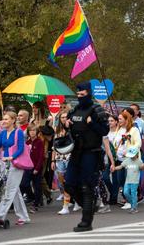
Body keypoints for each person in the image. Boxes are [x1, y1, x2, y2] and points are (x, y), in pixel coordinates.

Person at [65, 81, 109, 232]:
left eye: (82, 94)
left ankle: (86, 221)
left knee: (86, 186)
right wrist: (67, 125)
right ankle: (90, 206)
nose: (79, 96)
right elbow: (69, 131)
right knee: (69, 184)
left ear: (89, 94)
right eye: (77, 94)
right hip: (76, 151)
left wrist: (92, 124)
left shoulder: (97, 110)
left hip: (91, 152)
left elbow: (105, 131)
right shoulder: (74, 110)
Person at [0, 111, 30, 225]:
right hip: (5, 163)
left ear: (13, 120)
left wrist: (11, 157)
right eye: (3, 119)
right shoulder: (3, 133)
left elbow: (20, 148)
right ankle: (24, 216)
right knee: (15, 191)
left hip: (16, 163)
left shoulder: (19, 132)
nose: (4, 121)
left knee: (9, 190)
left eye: (7, 119)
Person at [113, 111, 141, 209]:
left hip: (131, 160)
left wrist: (129, 151)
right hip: (120, 160)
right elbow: (116, 143)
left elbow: (138, 144)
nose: (118, 120)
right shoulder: (119, 129)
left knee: (129, 180)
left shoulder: (134, 130)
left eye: (120, 119)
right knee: (120, 179)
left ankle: (130, 201)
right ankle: (130, 198)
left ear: (126, 119)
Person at [51, 111, 75, 215]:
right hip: (59, 158)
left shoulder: (73, 130)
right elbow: (54, 146)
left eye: (66, 117)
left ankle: (68, 204)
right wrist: (53, 160)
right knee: (61, 181)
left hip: (70, 158)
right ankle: (69, 201)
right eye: (62, 117)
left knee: (70, 180)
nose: (64, 119)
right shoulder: (57, 130)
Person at [112, 146, 144, 213]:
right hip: (127, 181)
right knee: (125, 192)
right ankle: (133, 203)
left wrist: (143, 167)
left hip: (135, 181)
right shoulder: (127, 161)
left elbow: (142, 168)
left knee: (133, 194)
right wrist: (114, 168)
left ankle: (134, 208)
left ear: (136, 154)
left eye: (133, 155)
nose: (131, 157)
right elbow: (121, 166)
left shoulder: (139, 161)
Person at [20, 124, 44, 212]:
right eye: (30, 131)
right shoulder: (27, 142)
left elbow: (41, 156)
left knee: (37, 186)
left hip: (36, 167)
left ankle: (36, 203)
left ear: (37, 132)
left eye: (34, 130)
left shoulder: (39, 142)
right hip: (27, 167)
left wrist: (37, 168)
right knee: (23, 184)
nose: (32, 132)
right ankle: (32, 197)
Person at [102, 115, 118, 205]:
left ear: (116, 122)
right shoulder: (106, 132)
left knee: (115, 179)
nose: (110, 122)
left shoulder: (119, 132)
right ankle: (113, 192)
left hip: (118, 157)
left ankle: (114, 197)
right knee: (105, 177)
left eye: (112, 120)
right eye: (109, 121)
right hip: (107, 158)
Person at [39, 125, 54, 205]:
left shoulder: (47, 140)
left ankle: (43, 197)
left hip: (43, 158)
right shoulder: (40, 137)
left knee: (40, 177)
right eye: (49, 135)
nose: (51, 137)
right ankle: (45, 196)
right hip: (37, 157)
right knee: (39, 178)